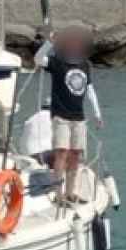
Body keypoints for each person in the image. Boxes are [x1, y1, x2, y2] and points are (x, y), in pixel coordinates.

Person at [35, 27, 104, 201]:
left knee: (76, 154)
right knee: (61, 153)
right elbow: (38, 59)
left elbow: (89, 89)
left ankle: (70, 192)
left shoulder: (84, 65)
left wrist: (97, 113)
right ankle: (58, 194)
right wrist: (49, 43)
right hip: (61, 117)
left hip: (79, 117)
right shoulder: (57, 62)